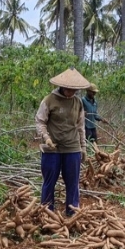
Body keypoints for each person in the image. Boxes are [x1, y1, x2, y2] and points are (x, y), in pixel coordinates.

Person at [36, 67, 89, 216]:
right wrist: (46, 138)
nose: (71, 92)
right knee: (49, 182)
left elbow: (80, 126)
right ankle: (47, 213)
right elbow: (40, 121)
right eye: (68, 89)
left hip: (72, 148)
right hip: (52, 149)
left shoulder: (78, 103)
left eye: (74, 90)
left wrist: (83, 147)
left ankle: (72, 213)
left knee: (72, 184)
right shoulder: (49, 100)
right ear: (62, 86)